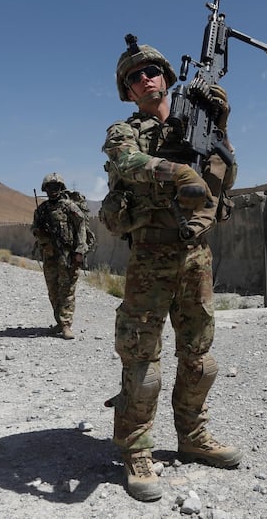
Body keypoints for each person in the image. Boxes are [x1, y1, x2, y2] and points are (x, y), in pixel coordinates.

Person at [101, 37, 241, 501]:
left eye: (152, 72)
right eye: (134, 77)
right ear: (128, 91)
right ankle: (137, 448)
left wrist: (220, 127)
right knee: (143, 360)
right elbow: (126, 162)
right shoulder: (126, 131)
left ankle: (192, 437)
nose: (145, 79)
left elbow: (221, 178)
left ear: (167, 77)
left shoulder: (195, 126)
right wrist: (176, 172)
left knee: (201, 357)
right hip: (151, 256)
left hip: (196, 254)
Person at [30, 173, 89, 340]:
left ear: (61, 188)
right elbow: (33, 228)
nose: (53, 190)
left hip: (68, 256)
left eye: (56, 187)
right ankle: (59, 321)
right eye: (49, 187)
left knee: (67, 290)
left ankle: (66, 325)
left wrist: (79, 251)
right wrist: (39, 232)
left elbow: (81, 228)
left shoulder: (69, 207)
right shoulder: (41, 210)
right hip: (49, 256)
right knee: (53, 291)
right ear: (45, 189)